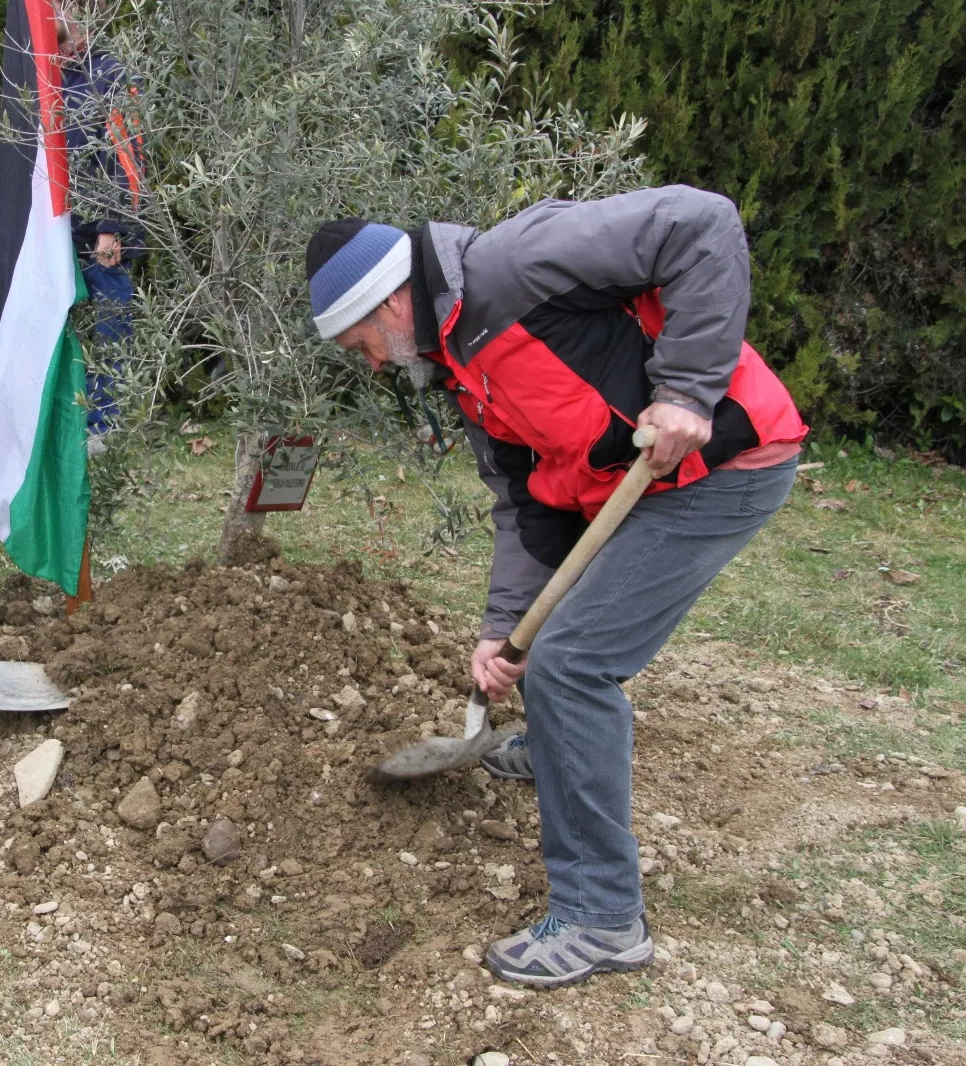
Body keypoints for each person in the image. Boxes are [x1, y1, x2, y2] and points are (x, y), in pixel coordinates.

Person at [305, 185, 808, 988]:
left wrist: (685, 390)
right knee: (548, 644)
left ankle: (603, 918)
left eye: (360, 344)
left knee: (572, 664)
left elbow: (702, 222)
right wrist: (503, 631)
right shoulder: (462, 369)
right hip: (639, 489)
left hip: (724, 467)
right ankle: (558, 748)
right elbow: (525, 505)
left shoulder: (514, 266)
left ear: (391, 302)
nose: (370, 365)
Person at [57, 9, 143, 438]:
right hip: (59, 229)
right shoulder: (51, 77)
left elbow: (126, 155)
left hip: (102, 231)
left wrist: (111, 227)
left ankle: (105, 423)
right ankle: (58, 416)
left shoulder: (109, 74)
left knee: (112, 327)